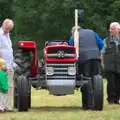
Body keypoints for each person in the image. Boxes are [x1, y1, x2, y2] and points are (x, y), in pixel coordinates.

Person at [69, 26, 104, 109]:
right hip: (95, 57)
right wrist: (96, 51)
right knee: (96, 80)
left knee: (85, 80)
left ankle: (87, 105)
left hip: (83, 59)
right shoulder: (92, 32)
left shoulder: (74, 36)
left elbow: (70, 49)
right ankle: (96, 103)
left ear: (73, 31)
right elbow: (101, 44)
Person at [101, 22, 120, 104]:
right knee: (111, 83)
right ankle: (111, 100)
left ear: (118, 30)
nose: (110, 30)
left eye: (112, 29)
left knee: (118, 83)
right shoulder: (106, 40)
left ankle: (117, 99)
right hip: (109, 65)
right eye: (110, 29)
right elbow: (102, 52)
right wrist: (102, 64)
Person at [0, 19, 17, 111]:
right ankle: (1, 106)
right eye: (7, 28)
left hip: (10, 65)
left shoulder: (7, 35)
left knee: (10, 86)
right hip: (2, 66)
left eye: (10, 29)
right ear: (3, 25)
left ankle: (7, 106)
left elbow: (8, 49)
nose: (8, 30)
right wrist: (2, 63)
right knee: (2, 86)